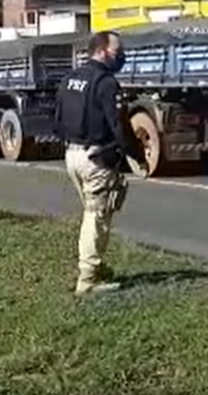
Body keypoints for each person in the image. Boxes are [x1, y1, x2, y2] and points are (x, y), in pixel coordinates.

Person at [54, 30, 148, 295]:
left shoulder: (70, 78)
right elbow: (119, 125)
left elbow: (57, 119)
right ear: (101, 51)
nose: (121, 56)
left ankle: (96, 266)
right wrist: (137, 155)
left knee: (91, 214)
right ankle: (88, 278)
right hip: (96, 160)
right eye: (117, 51)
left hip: (72, 155)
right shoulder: (105, 83)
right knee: (96, 217)